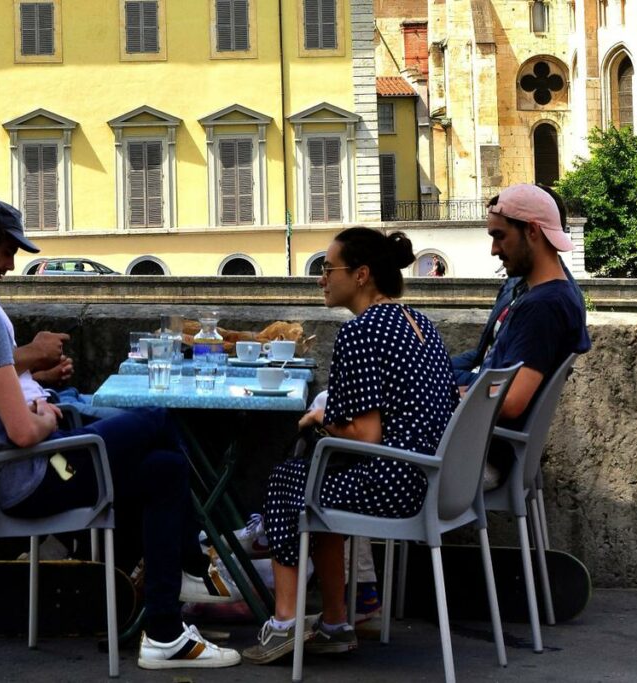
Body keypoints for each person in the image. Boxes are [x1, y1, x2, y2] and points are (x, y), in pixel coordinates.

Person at [0, 204, 240, 669]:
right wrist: (45, 414)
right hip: (24, 483)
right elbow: (24, 433)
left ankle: (168, 624)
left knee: (164, 471)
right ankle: (189, 574)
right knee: (157, 419)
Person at [242, 227, 459, 664]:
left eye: (328, 269)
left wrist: (321, 418)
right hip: (429, 476)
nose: (321, 278)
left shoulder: (361, 332)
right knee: (317, 478)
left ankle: (284, 623)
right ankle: (336, 624)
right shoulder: (418, 323)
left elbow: (365, 435)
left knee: (289, 481)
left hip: (395, 483)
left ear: (361, 275)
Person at [454, 183, 591, 485]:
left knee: (347, 449)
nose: (494, 249)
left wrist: (444, 395)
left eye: (499, 236)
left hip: (476, 454)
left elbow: (512, 401)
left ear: (532, 231)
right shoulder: (544, 295)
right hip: (477, 447)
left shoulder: (545, 306)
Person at [0, 197, 122, 423]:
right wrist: (35, 352)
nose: (11, 266)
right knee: (155, 419)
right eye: (7, 252)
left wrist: (42, 375)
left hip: (48, 398)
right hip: (46, 415)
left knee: (160, 450)